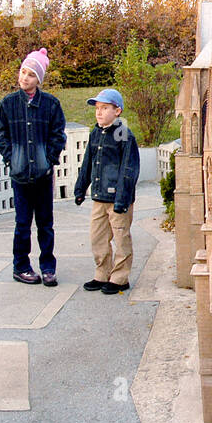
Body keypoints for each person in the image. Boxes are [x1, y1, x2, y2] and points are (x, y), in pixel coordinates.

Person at [0, 48, 67, 286]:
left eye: (31, 75)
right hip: (20, 177)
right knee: (22, 223)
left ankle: (48, 267)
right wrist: (11, 158)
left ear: (39, 79)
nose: (25, 78)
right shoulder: (7, 105)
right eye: (23, 72)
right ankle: (21, 266)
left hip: (43, 176)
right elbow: (1, 136)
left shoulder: (51, 105)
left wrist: (49, 160)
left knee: (45, 224)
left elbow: (58, 135)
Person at [74, 88, 141, 295]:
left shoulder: (124, 135)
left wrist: (122, 198)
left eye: (104, 108)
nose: (99, 112)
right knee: (98, 237)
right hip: (99, 197)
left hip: (118, 199)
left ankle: (120, 277)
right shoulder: (96, 132)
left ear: (117, 111)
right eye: (97, 108)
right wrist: (80, 188)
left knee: (121, 237)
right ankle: (102, 273)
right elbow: (87, 163)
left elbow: (128, 169)